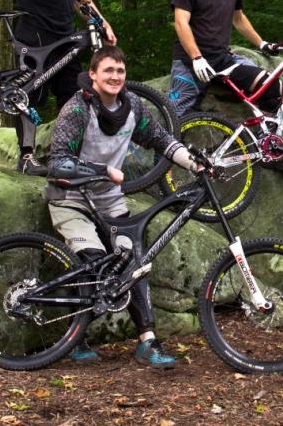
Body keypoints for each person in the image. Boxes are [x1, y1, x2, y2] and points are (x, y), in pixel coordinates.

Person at [46, 45, 198, 369]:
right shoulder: (77, 109)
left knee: (133, 262)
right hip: (71, 200)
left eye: (120, 71)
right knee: (94, 263)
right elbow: (58, 163)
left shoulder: (133, 107)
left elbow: (161, 140)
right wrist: (104, 172)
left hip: (109, 200)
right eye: (108, 71)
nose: (115, 77)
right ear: (93, 75)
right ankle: (76, 341)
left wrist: (193, 162)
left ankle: (148, 342)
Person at [168, 0, 283, 171]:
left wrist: (261, 44)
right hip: (190, 63)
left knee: (272, 87)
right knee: (173, 119)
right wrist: (196, 57)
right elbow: (180, 22)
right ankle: (158, 175)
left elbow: (238, 19)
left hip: (224, 60)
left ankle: (267, 148)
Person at [14, 0, 116, 176]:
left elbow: (81, 1)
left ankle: (64, 157)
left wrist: (103, 22)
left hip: (65, 37)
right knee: (28, 95)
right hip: (35, 34)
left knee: (74, 97)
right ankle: (26, 157)